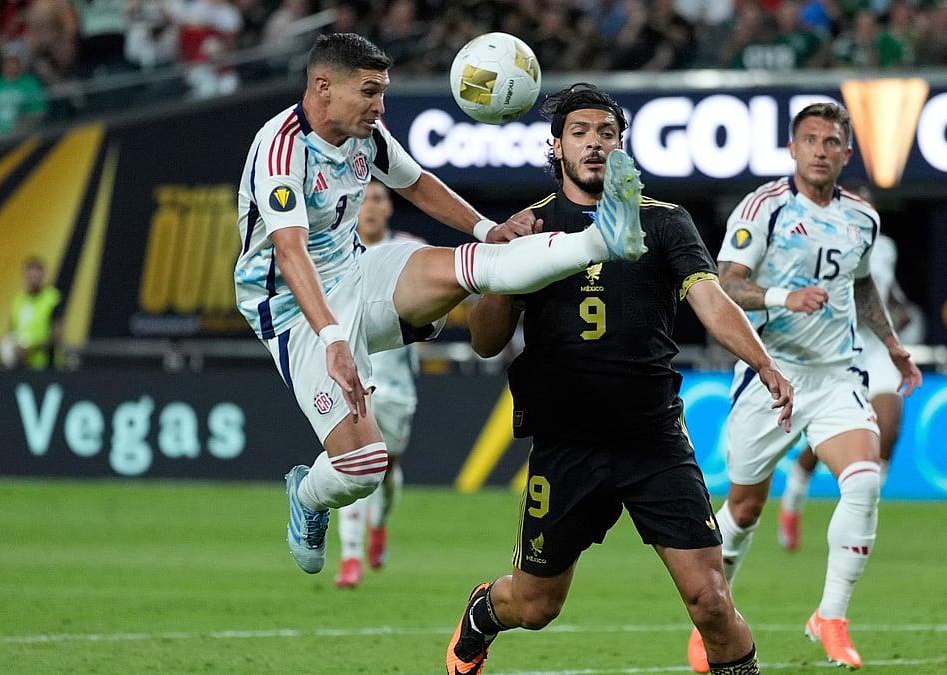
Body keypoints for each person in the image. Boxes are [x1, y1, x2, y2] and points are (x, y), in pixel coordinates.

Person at [233, 34, 648, 577]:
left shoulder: (366, 134)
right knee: (364, 467)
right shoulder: (281, 147)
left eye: (382, 92)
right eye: (370, 92)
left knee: (468, 263)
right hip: (292, 308)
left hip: (358, 273)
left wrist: (489, 228)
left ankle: (602, 239)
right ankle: (307, 497)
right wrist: (335, 340)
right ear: (323, 87)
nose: (380, 106)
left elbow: (418, 183)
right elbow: (289, 253)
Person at [445, 83, 795, 675]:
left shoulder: (663, 223)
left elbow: (710, 302)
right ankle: (483, 615)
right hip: (567, 446)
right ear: (555, 147)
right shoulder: (528, 229)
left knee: (711, 601)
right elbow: (485, 342)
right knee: (534, 607)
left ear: (623, 147)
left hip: (652, 440)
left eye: (607, 134)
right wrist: (508, 268)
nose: (595, 144)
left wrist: (763, 362)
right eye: (580, 133)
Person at [685, 102, 923, 672]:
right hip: (771, 373)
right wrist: (782, 298)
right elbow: (726, 284)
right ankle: (716, 617)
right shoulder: (763, 208)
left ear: (845, 152)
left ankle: (831, 616)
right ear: (793, 149)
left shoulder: (862, 218)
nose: (820, 149)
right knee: (742, 509)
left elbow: (863, 286)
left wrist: (890, 344)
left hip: (837, 373)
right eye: (810, 139)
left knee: (864, 480)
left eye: (831, 141)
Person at [777, 231, 913, 552]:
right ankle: (793, 499)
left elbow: (886, 292)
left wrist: (897, 313)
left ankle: (862, 515)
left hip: (877, 348)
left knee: (888, 427)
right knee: (832, 434)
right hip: (838, 350)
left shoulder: (884, 246)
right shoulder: (816, 241)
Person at [332, 180, 420, 589]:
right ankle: (350, 558)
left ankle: (379, 524)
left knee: (387, 470)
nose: (369, 207)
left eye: (379, 198)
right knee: (351, 466)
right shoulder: (333, 252)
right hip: (349, 378)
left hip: (397, 383)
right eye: (363, 199)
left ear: (389, 207)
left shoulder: (409, 250)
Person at [1, 256, 64, 370]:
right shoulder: (18, 301)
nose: (33, 279)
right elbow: (12, 332)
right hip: (21, 364)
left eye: (36, 275)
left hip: (46, 365)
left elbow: (57, 335)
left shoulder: (52, 299)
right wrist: (14, 348)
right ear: (24, 276)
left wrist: (32, 348)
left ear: (43, 276)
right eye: (30, 275)